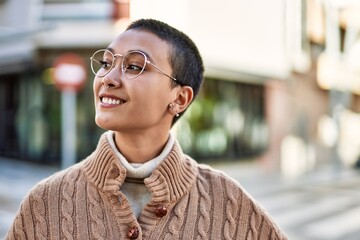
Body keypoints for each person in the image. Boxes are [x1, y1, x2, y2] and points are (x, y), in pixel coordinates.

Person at [6, 19, 287, 240]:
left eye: (134, 66)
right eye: (106, 63)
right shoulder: (45, 203)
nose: (109, 78)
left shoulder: (228, 202)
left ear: (179, 99)